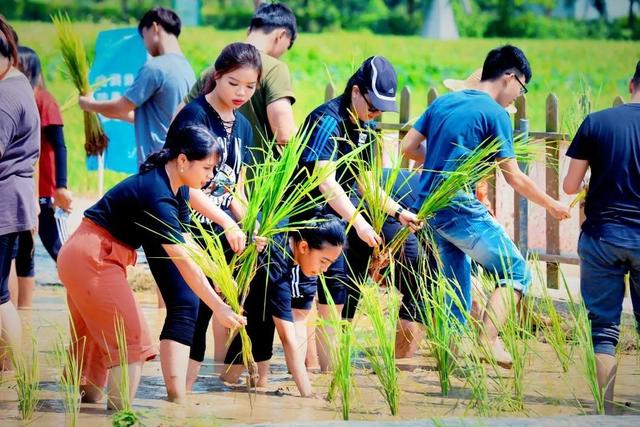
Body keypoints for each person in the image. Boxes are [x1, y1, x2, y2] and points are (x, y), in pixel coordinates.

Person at [401, 45, 570, 368]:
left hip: (429, 209)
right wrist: (551, 205)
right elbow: (514, 178)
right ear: (510, 77)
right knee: (516, 272)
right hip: (459, 207)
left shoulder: (443, 102)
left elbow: (409, 147)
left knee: (455, 285)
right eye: (522, 89)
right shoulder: (494, 113)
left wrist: (443, 166)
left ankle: (449, 362)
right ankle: (487, 340)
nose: (518, 98)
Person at [56, 124, 247, 409]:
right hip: (92, 258)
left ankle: (81, 412)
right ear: (183, 160)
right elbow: (182, 259)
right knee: (131, 339)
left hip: (85, 255)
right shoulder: (156, 195)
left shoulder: (176, 185)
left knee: (96, 349)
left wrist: (217, 271)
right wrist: (218, 307)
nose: (210, 177)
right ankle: (123, 418)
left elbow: (187, 243)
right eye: (207, 168)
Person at [292, 56, 423, 371]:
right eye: (372, 105)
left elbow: (365, 183)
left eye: (380, 109)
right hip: (306, 223)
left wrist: (398, 211)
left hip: (336, 225)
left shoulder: (367, 127)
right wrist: (361, 224)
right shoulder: (327, 121)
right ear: (355, 91)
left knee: (334, 300)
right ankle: (304, 373)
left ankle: (329, 375)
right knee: (303, 302)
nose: (375, 113)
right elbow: (325, 181)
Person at [166, 42, 260, 387]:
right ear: (217, 75)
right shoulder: (194, 116)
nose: (241, 93)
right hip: (189, 229)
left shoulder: (245, 128)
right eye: (234, 83)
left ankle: (189, 397)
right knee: (189, 310)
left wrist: (250, 224)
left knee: (213, 310)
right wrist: (226, 221)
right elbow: (181, 183)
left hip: (224, 233)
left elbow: (234, 187)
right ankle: (178, 395)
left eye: (250, 87)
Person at [563, 60, 640, 414]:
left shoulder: (597, 122)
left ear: (631, 84)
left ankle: (605, 409)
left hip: (601, 237)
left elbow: (569, 185)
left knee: (605, 327)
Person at [221, 216, 345, 396]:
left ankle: (222, 388)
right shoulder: (277, 267)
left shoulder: (286, 239)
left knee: (250, 381)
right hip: (229, 283)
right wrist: (308, 395)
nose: (324, 270)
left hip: (257, 306)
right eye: (323, 261)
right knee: (244, 377)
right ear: (303, 247)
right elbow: (288, 339)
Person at [179, 2, 297, 161]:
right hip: (258, 180)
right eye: (288, 46)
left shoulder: (213, 70)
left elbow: (178, 120)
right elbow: (284, 134)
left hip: (209, 177)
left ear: (250, 30)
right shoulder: (275, 68)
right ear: (281, 35)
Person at [78, 6, 195, 165]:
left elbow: (120, 108)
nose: (144, 44)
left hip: (157, 163)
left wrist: (89, 104)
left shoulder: (155, 67)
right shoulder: (187, 69)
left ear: (154, 28)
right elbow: (157, 118)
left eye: (143, 36)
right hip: (180, 161)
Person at [8, 46, 73, 309]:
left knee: (58, 250)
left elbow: (60, 145)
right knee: (23, 250)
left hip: (44, 189)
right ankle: (24, 311)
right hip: (22, 188)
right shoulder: (15, 98)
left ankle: (81, 298)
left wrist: (62, 186)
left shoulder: (44, 100)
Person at [0, 16, 39, 362]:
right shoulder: (19, 82)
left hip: (4, 204)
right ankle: (10, 368)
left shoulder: (5, 96)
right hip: (14, 201)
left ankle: (13, 372)